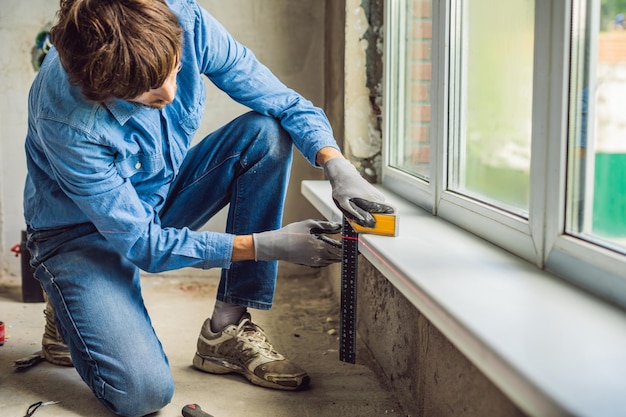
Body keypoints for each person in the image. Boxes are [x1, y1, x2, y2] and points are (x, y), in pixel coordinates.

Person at [23, 0, 393, 416]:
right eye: (145, 94)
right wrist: (267, 245)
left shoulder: (184, 19)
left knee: (265, 134)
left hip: (156, 196)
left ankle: (226, 330)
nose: (169, 93)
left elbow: (283, 104)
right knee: (143, 395)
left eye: (175, 69)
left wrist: (336, 164)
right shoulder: (67, 116)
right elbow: (146, 245)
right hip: (78, 237)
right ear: (103, 86)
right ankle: (67, 302)